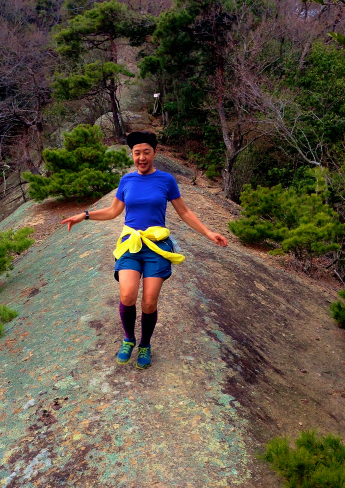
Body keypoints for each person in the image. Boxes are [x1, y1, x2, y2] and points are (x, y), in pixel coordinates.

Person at [62, 131, 228, 369]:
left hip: (156, 246)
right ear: (132, 154)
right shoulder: (126, 181)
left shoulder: (166, 180)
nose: (141, 157)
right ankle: (128, 339)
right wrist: (84, 215)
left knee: (149, 302)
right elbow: (112, 211)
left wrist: (209, 232)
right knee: (127, 295)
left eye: (146, 152)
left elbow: (184, 212)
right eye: (137, 153)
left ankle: (145, 344)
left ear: (155, 153)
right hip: (131, 242)